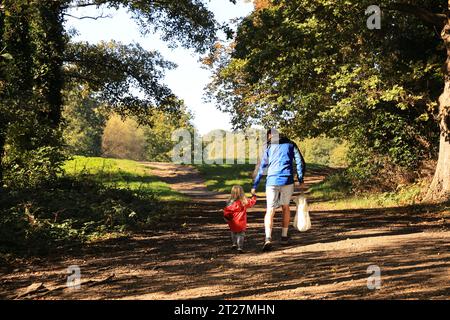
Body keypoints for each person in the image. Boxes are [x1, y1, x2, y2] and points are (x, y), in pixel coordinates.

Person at [251, 129, 305, 251]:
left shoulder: (269, 147)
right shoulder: (291, 144)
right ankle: (284, 237)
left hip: (272, 181)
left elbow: (262, 166)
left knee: (270, 209)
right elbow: (299, 163)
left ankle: (268, 238)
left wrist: (255, 184)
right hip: (287, 180)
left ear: (271, 136)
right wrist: (301, 179)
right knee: (285, 207)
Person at [223, 185, 257, 254]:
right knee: (241, 234)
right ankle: (240, 247)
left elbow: (226, 211)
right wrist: (253, 195)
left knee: (233, 232)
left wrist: (226, 218)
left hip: (232, 222)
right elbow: (252, 202)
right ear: (242, 193)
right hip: (241, 222)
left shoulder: (229, 202)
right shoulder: (244, 202)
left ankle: (234, 243)